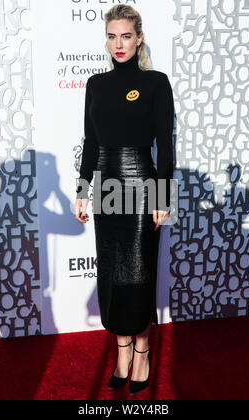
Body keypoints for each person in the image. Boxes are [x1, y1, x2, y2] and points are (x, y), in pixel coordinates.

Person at [75, 5, 175, 395]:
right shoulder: (96, 84)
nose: (119, 44)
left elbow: (165, 146)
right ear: (107, 39)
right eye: (112, 36)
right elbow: (91, 142)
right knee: (112, 274)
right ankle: (121, 352)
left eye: (126, 36)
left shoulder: (155, 83)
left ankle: (143, 350)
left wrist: (163, 195)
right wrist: (83, 191)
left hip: (141, 184)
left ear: (139, 38)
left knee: (137, 272)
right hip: (106, 186)